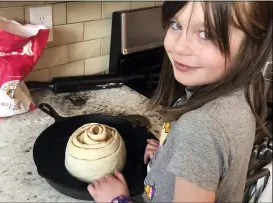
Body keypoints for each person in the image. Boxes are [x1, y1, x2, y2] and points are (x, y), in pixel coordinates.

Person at [87, 1, 272, 202]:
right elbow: (217, 154)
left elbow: (204, 137)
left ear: (253, 43)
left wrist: (117, 199)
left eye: (206, 34)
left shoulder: (200, 129)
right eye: (176, 25)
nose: (179, 47)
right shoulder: (245, 90)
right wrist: (169, 153)